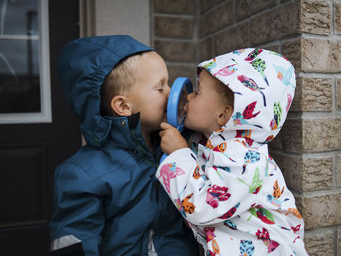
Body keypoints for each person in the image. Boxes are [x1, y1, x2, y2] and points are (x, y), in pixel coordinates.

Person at [49, 35, 199, 256]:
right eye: (160, 88)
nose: (170, 94)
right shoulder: (81, 175)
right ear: (123, 105)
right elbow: (74, 240)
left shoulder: (174, 147)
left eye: (168, 83)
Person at [156, 48, 308, 255]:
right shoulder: (215, 143)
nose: (189, 97)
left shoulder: (246, 158)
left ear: (224, 114)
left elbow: (204, 206)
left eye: (197, 93)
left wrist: (178, 154)